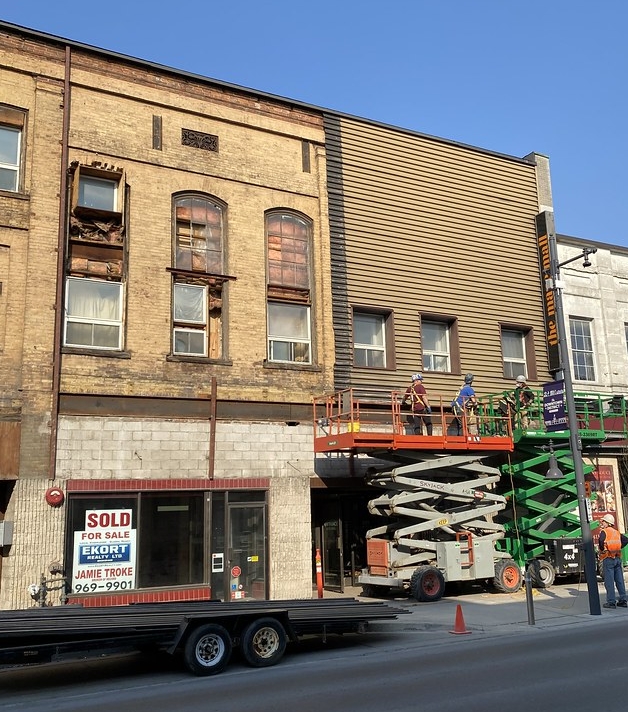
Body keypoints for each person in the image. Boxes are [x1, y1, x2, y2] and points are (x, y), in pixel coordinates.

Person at [598, 513, 628, 608]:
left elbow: (601, 541)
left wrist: (603, 549)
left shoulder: (604, 532)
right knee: (619, 580)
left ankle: (611, 602)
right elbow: (626, 540)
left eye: (603, 521)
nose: (602, 523)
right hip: (617, 558)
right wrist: (619, 547)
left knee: (609, 581)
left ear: (607, 523)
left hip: (608, 558)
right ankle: (623, 600)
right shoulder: (616, 532)